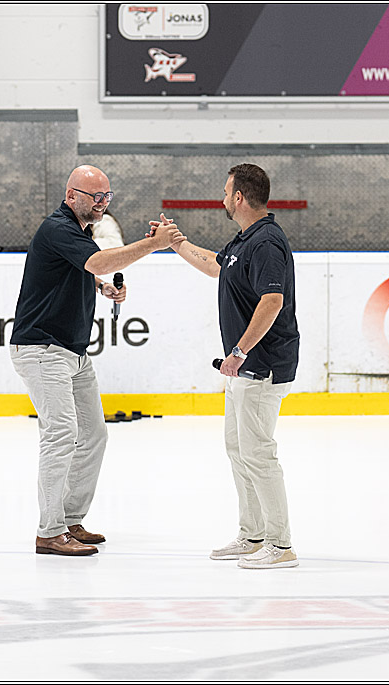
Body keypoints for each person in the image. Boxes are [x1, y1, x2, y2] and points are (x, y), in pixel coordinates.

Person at [10, 164, 184, 557]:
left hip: (73, 351)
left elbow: (87, 269)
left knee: (93, 435)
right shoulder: (58, 227)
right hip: (42, 349)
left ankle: (70, 519)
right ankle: (49, 531)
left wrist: (102, 287)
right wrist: (151, 246)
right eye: (96, 197)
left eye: (107, 196)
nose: (103, 203)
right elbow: (100, 261)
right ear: (71, 195)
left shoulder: (79, 232)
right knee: (60, 434)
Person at [151, 163, 300, 569]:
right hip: (243, 366)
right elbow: (218, 267)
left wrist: (239, 351)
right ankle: (253, 534)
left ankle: (281, 544)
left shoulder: (267, 242)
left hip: (261, 364)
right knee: (239, 450)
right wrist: (176, 243)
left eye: (225, 191)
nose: (221, 197)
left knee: (258, 452)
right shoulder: (244, 240)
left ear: (239, 197)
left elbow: (273, 302)